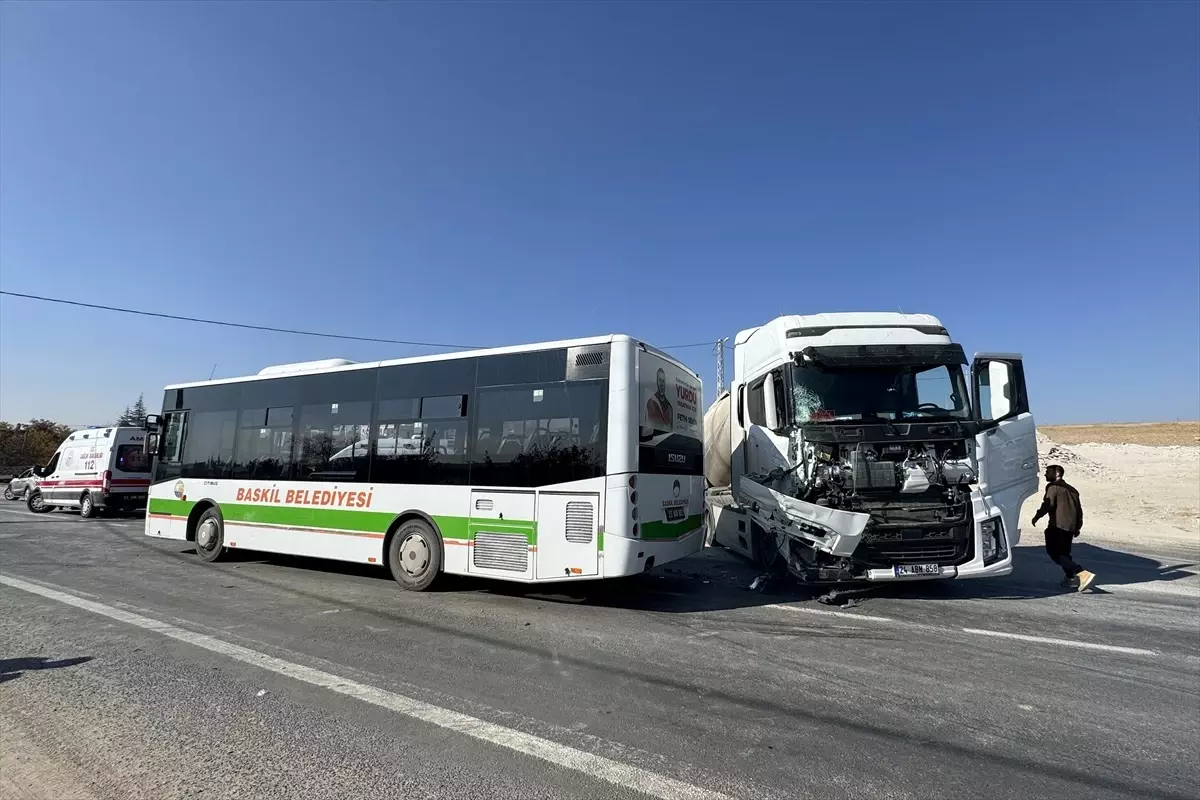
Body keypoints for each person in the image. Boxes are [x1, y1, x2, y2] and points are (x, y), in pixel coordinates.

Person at [1031, 464, 1096, 591]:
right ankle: (1070, 579)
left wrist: (1037, 516)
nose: (1045, 475)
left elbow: (1048, 504)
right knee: (1064, 554)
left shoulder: (1053, 487)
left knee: (1054, 552)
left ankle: (1081, 573)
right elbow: (1079, 510)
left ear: (1057, 474)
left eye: (1048, 472)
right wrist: (1077, 527)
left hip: (1058, 526)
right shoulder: (1073, 490)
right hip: (1070, 528)